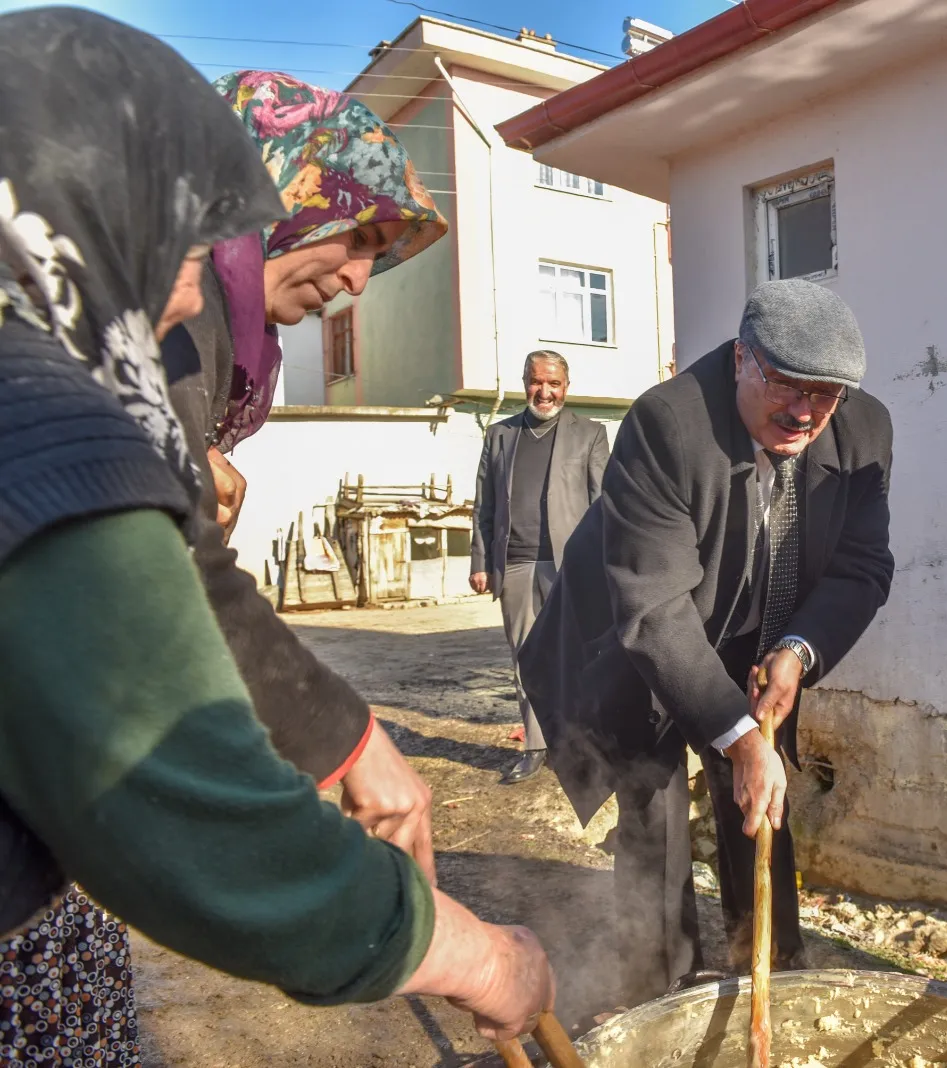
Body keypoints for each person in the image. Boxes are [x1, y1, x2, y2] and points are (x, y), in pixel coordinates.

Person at [0, 11, 551, 1064]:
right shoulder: (35, 414)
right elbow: (178, 808)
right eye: (191, 228)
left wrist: (350, 737)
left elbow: (188, 578)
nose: (199, 282)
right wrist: (472, 955)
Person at [523, 279, 894, 1006]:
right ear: (740, 360)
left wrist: (797, 652)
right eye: (788, 385)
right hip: (637, 638)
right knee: (653, 800)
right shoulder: (667, 424)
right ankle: (659, 988)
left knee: (761, 799)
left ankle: (771, 974)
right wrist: (739, 737)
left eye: (827, 394)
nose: (806, 412)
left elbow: (860, 566)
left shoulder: (862, 432)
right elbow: (656, 607)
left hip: (753, 637)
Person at [155, 69, 451, 867]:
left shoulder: (206, 325)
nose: (358, 280)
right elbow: (168, 565)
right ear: (281, 192)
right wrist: (348, 742)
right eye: (357, 239)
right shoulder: (179, 314)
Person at [470, 350, 610, 784]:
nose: (544, 391)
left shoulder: (590, 434)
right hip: (514, 564)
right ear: (525, 381)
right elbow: (483, 506)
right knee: (525, 659)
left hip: (573, 565)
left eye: (554, 383)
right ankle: (535, 746)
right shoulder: (500, 435)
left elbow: (605, 505)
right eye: (536, 381)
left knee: (579, 657)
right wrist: (480, 562)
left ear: (566, 386)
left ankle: (580, 746)